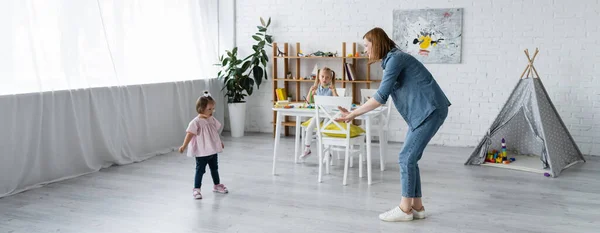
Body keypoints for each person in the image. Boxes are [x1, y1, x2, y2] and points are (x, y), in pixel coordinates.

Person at [336, 27, 451, 222]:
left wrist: (353, 113)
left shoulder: (396, 60)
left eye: (366, 46)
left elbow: (380, 97)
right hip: (424, 112)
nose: (365, 50)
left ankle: (405, 209)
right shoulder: (392, 60)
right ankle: (417, 207)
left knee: (406, 157)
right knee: (410, 158)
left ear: (377, 43)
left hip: (429, 110)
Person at [178, 91, 229, 199]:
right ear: (201, 109)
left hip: (213, 150)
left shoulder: (211, 119)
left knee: (214, 168)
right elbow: (190, 134)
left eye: (213, 109)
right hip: (202, 152)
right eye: (209, 109)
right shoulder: (196, 122)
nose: (212, 111)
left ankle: (216, 185)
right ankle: (196, 189)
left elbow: (215, 133)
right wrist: (184, 146)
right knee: (200, 170)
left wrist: (219, 142)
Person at [301, 67, 339, 159]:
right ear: (319, 77)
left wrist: (334, 91)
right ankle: (307, 149)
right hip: (319, 114)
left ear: (330, 79)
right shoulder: (317, 89)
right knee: (309, 128)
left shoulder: (331, 89)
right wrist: (310, 91)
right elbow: (308, 102)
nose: (324, 79)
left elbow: (338, 102)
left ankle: (327, 153)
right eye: (322, 77)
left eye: (327, 77)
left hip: (329, 115)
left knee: (324, 131)